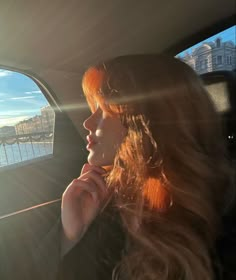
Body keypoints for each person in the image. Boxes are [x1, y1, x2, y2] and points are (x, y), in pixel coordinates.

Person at [0, 54, 233, 280]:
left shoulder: (221, 219)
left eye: (103, 110)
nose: (87, 122)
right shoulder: (110, 202)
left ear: (144, 120)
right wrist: (70, 235)